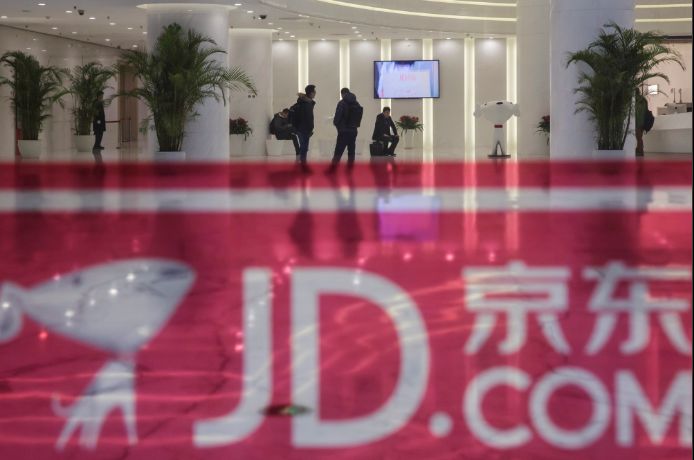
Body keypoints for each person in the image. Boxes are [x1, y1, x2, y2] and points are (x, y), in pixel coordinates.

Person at [326, 88, 362, 174]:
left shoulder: (342, 103)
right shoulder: (356, 103)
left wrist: (337, 125)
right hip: (353, 131)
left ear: (342, 94)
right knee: (351, 151)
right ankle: (350, 169)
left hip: (343, 131)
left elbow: (337, 118)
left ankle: (333, 170)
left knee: (338, 151)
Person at [291, 84, 317, 174]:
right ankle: (304, 167)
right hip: (304, 129)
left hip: (299, 128)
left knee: (303, 147)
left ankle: (302, 166)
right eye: (314, 92)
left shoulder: (302, 102)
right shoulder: (307, 104)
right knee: (304, 148)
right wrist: (310, 129)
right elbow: (308, 118)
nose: (315, 93)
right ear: (311, 93)